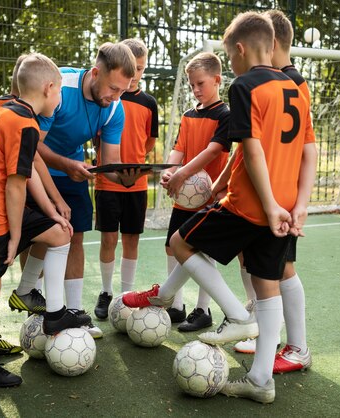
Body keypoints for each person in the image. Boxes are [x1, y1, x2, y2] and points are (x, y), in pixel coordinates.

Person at [123, 12, 316, 404]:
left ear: (241, 50)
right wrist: (297, 207)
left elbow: (252, 149)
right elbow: (310, 151)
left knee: (180, 243)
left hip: (247, 205)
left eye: (229, 58)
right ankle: (261, 380)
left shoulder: (245, 86)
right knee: (267, 287)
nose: (230, 66)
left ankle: (236, 317)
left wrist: (261, 203)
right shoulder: (297, 87)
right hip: (283, 207)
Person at [0, 53, 91, 388]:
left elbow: (28, 164)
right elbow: (17, 184)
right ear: (48, 89)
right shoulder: (24, 122)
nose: (60, 101)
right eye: (59, 93)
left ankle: (55, 312)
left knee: (60, 233)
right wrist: (17, 236)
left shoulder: (5, 107)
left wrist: (54, 206)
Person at [232, 10, 318, 375]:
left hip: (278, 195)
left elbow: (305, 148)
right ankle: (266, 332)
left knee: (282, 268)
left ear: (273, 44)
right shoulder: (279, 82)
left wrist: (299, 202)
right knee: (254, 263)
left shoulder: (290, 84)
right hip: (269, 195)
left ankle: (297, 345)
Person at [36, 42, 141, 338]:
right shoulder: (60, 88)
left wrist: (126, 178)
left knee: (75, 238)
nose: (116, 97)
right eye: (113, 88)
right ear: (95, 73)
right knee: (39, 241)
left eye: (123, 90)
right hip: (39, 170)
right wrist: (67, 164)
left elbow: (110, 162)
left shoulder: (114, 108)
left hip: (73, 173)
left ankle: (74, 311)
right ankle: (39, 308)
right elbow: (31, 144)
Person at [159, 52, 231, 332]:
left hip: (209, 196)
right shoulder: (189, 116)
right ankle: (176, 306)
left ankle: (203, 309)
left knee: (202, 251)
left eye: (200, 83)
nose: (196, 90)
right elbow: (179, 148)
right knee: (171, 247)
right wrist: (170, 170)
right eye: (191, 85)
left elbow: (213, 150)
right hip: (183, 197)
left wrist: (182, 173)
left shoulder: (225, 115)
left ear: (217, 80)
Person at [92, 38, 159, 319]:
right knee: (109, 238)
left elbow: (150, 142)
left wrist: (133, 167)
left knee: (131, 239)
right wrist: (112, 165)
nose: (136, 74)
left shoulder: (149, 103)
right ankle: (107, 292)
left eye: (141, 69)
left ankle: (125, 295)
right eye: (133, 67)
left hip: (137, 185)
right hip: (107, 182)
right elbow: (97, 137)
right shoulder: (107, 98)